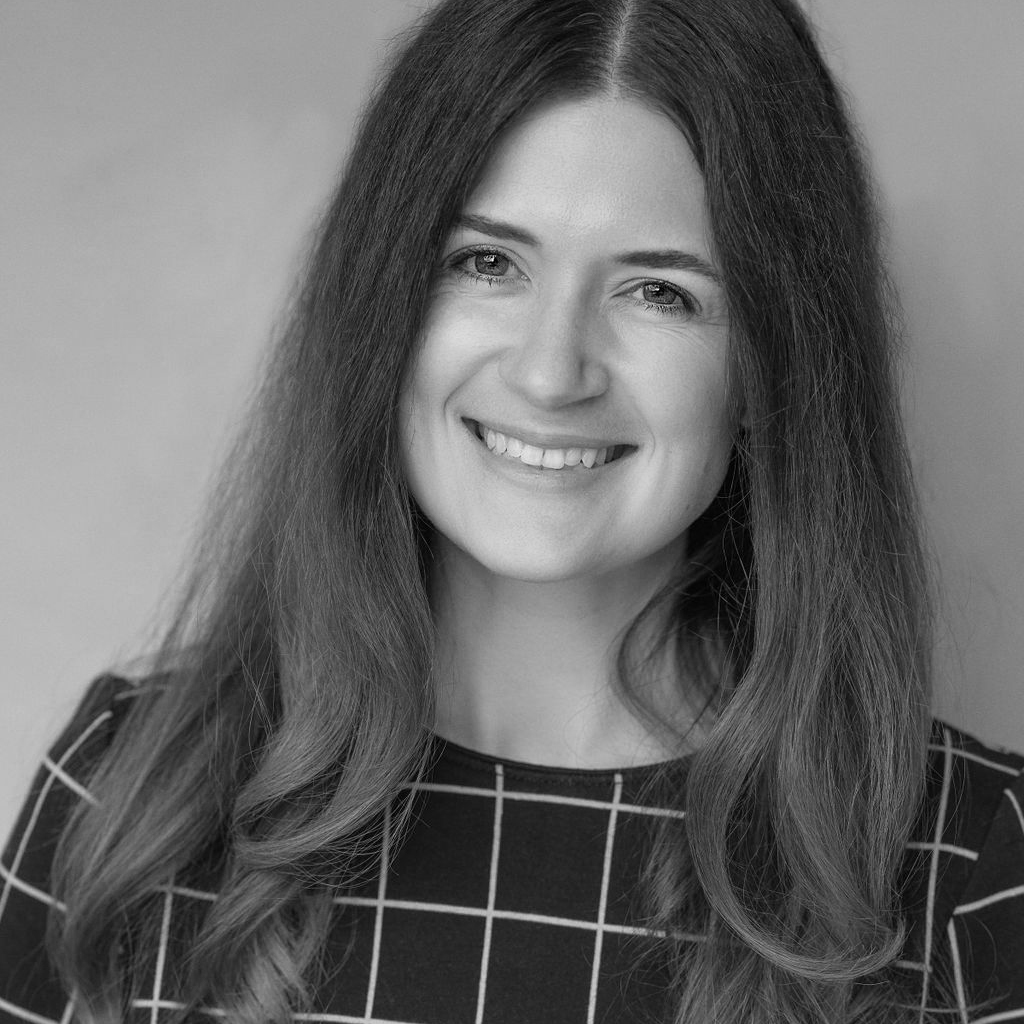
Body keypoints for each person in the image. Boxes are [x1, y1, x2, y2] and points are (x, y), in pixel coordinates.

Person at [1, 0, 1021, 1021]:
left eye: (658, 292)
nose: (548, 371)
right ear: (381, 305)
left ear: (769, 367)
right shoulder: (128, 799)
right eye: (487, 263)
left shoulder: (972, 863)